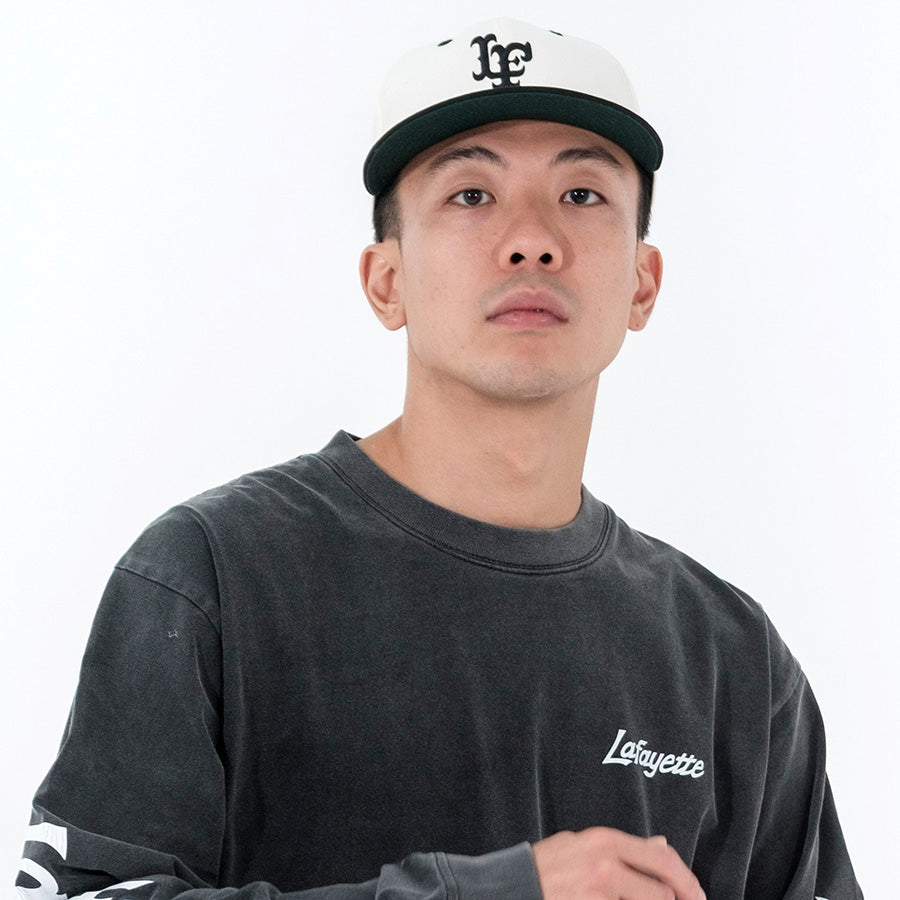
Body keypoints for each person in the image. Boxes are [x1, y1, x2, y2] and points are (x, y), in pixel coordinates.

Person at [16, 17, 862, 900]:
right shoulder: (212, 576)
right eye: (470, 195)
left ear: (642, 284)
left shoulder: (734, 664)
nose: (532, 239)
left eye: (581, 193)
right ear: (387, 282)